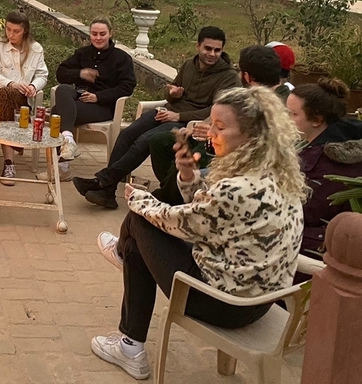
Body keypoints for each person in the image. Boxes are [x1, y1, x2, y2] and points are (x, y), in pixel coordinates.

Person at [91, 87, 307, 380]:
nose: (211, 134)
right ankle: (126, 261)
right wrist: (188, 176)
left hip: (224, 305)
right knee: (142, 234)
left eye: (220, 127)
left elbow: (181, 223)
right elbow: (211, 217)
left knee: (139, 221)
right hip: (261, 301)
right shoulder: (278, 176)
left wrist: (138, 198)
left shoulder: (238, 187)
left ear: (253, 135)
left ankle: (129, 335)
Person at [73, 26, 240, 209]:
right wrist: (174, 94)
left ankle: (103, 183)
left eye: (217, 50)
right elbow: (171, 93)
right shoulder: (189, 65)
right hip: (168, 112)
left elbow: (215, 111)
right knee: (128, 134)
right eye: (208, 48)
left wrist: (179, 115)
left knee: (145, 140)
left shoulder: (228, 77)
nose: (212, 54)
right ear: (198, 46)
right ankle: (107, 190)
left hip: (187, 122)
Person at [148, 44, 287, 205]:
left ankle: (168, 199)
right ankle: (173, 194)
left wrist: (214, 132)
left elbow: (255, 140)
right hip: (213, 140)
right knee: (161, 142)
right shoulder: (247, 95)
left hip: (235, 155)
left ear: (247, 76)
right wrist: (201, 127)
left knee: (188, 160)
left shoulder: (277, 104)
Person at [286, 78, 362, 272]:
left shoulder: (331, 163)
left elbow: (308, 210)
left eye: (293, 114)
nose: (285, 119)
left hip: (317, 251)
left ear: (317, 120)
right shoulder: (322, 145)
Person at [0, 11, 48, 185]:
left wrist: (33, 86)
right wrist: (12, 84)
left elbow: (42, 75)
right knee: (7, 94)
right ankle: (9, 164)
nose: (11, 34)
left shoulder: (35, 49)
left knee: (10, 96)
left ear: (25, 31)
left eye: (16, 31)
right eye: (8, 29)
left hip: (20, 100)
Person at [52, 17, 136, 164]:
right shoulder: (82, 53)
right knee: (63, 89)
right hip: (79, 97)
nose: (98, 38)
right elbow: (61, 73)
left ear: (110, 34)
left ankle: (62, 166)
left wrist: (98, 96)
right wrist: (80, 73)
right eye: (94, 34)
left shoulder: (121, 58)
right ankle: (68, 141)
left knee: (57, 112)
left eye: (102, 34)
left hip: (103, 106)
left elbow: (127, 87)